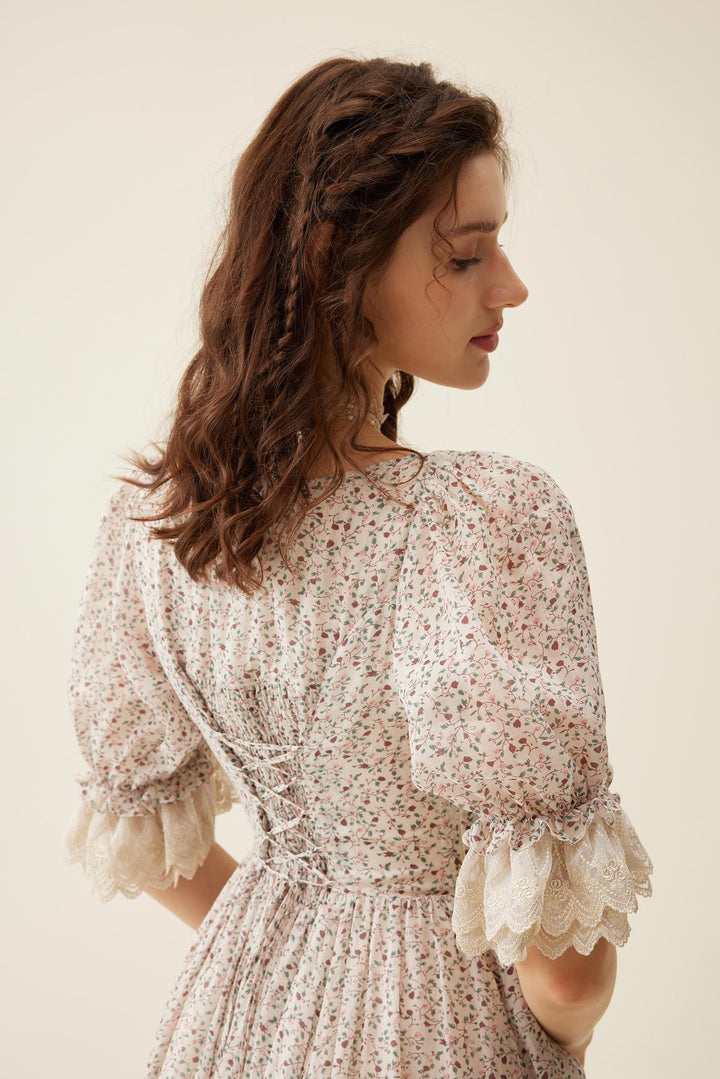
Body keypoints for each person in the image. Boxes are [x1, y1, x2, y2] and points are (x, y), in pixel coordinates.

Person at [63, 55, 653, 1077]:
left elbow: (146, 830)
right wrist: (562, 1035)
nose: (510, 285)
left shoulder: (164, 519)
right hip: (442, 1030)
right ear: (339, 256)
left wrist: (298, 947)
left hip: (234, 1017)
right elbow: (564, 978)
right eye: (466, 254)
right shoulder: (479, 522)